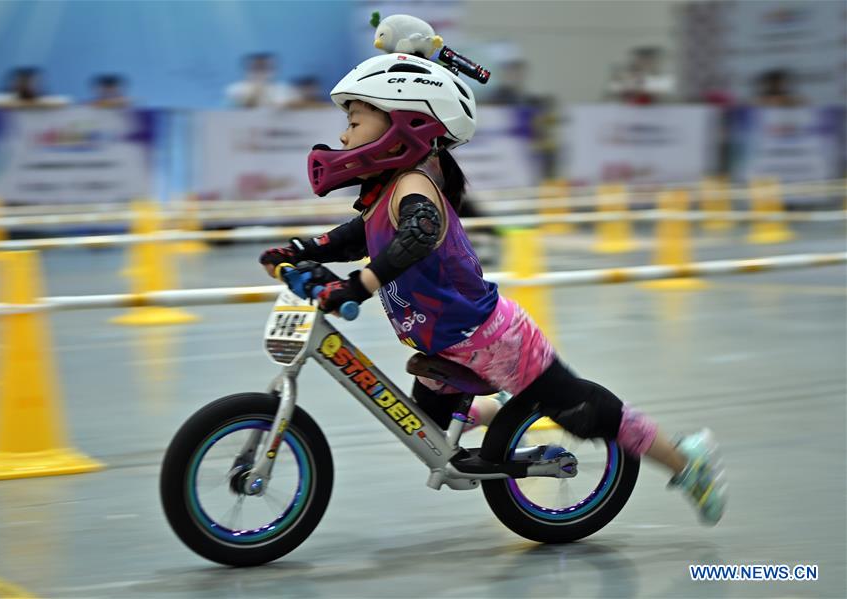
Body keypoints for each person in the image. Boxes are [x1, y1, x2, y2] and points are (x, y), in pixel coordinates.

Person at [259, 53, 728, 525]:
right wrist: (301, 249)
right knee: (429, 426)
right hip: (441, 340)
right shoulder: (386, 193)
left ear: (399, 125)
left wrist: (356, 287)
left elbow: (417, 236)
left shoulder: (413, 186)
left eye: (355, 120)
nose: (343, 136)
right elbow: (357, 236)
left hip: (493, 337)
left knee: (583, 414)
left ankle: (687, 461)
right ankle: (507, 410)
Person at [225, 52, 295, 108]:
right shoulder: (235, 89)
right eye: (256, 68)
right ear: (246, 69)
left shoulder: (285, 90)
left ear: (274, 69)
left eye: (265, 67)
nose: (260, 72)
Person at [0, 67, 69, 108]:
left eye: (32, 82)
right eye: (22, 81)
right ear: (14, 83)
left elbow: (64, 102)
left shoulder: (48, 100)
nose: (26, 86)